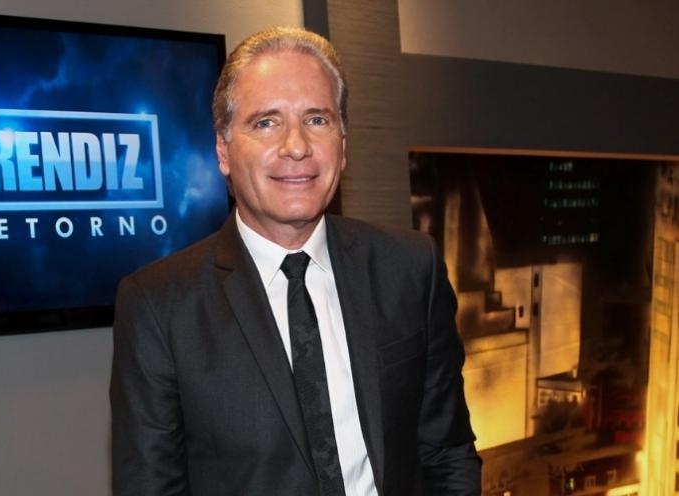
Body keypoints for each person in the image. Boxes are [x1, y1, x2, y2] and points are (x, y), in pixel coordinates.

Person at [110, 26, 481, 495]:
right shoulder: (159, 304)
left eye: (317, 119)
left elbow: (447, 451)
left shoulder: (410, 267)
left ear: (343, 144)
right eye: (267, 122)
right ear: (223, 150)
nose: (297, 146)